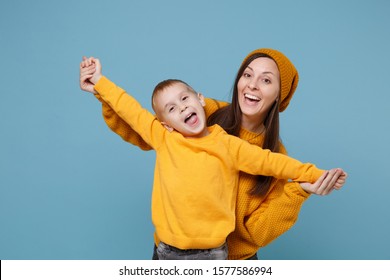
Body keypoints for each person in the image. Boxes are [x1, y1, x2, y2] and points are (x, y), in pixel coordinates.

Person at [79, 49, 348, 260]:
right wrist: (100, 89)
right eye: (247, 74)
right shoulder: (205, 115)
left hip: (229, 260)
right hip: (168, 250)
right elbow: (140, 122)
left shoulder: (264, 154)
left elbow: (256, 230)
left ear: (280, 94)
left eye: (266, 80)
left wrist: (302, 188)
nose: (252, 85)